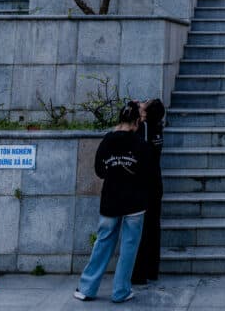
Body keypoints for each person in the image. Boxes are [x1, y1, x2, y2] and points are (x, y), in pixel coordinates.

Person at [73, 101, 148, 303]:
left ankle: (87, 288)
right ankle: (120, 291)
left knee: (103, 243)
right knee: (129, 247)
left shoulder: (107, 140)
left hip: (111, 198)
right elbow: (147, 172)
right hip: (134, 200)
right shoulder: (140, 143)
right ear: (135, 122)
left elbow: (99, 170)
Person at [131, 99, 165, 287]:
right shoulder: (157, 128)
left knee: (142, 230)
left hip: (144, 184)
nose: (141, 105)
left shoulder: (144, 129)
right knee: (153, 228)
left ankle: (139, 273)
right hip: (156, 183)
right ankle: (152, 269)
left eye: (144, 104)